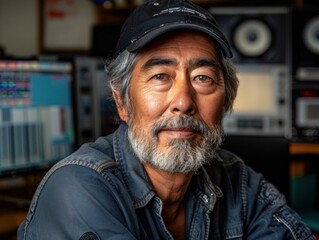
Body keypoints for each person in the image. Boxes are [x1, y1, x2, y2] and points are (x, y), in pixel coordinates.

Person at [18, 0, 315, 239]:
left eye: (203, 78)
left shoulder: (239, 183)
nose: (183, 102)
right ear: (122, 103)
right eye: (160, 77)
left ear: (226, 102)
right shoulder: (78, 186)